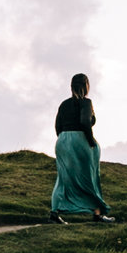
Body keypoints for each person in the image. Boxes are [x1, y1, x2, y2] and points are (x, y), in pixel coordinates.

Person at [49, 72, 113, 223]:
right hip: (79, 140)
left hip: (62, 141)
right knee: (89, 178)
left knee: (63, 179)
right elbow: (84, 122)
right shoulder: (86, 102)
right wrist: (90, 141)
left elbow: (57, 126)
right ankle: (97, 214)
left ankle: (54, 213)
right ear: (86, 86)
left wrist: (65, 140)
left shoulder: (63, 104)